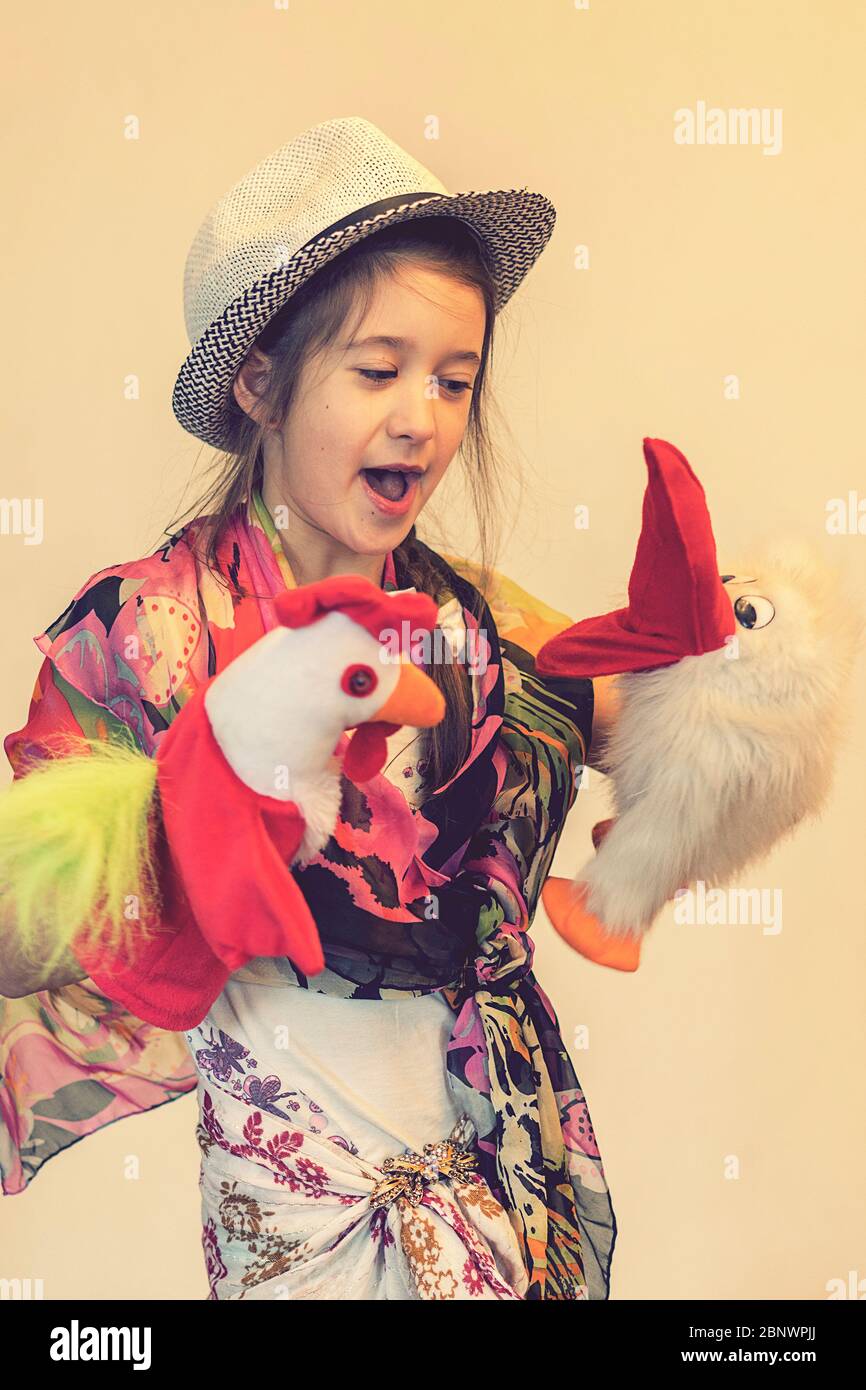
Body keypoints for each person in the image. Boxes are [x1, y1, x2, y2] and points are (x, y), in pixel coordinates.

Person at [0, 116, 619, 1300]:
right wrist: (201, 799)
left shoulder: (474, 621)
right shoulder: (141, 631)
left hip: (483, 1170)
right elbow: (22, 934)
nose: (423, 418)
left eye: (454, 379)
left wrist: (734, 675)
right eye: (377, 371)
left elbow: (642, 720)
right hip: (288, 1205)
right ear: (261, 384)